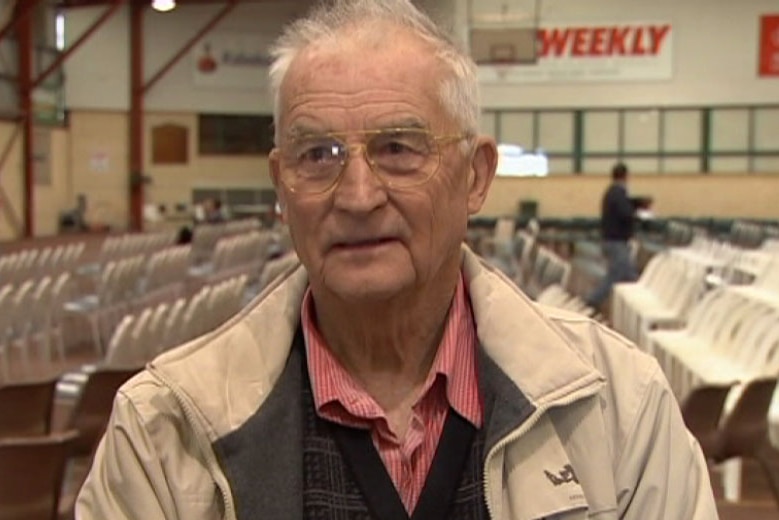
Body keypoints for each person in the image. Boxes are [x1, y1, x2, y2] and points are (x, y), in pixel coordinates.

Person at [76, 1, 717, 518]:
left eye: (400, 148)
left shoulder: (618, 408)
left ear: (474, 176)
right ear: (281, 186)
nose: (357, 196)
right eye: (317, 155)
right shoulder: (163, 432)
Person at [586, 162, 640, 311]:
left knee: (627, 274)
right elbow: (625, 214)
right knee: (618, 275)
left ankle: (632, 309)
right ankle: (592, 301)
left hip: (610, 240)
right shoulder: (618, 193)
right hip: (616, 241)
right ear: (626, 176)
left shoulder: (611, 192)